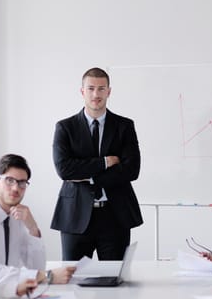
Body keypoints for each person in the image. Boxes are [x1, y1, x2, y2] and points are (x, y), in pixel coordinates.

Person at [51, 67, 143, 260]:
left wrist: (87, 175)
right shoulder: (65, 127)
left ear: (109, 91)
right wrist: (104, 162)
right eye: (91, 88)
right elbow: (65, 170)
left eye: (101, 89)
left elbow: (132, 170)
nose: (96, 94)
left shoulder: (124, 126)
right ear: (82, 91)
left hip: (115, 215)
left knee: (113, 280)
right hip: (75, 215)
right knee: (73, 279)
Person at [0, 154, 75, 286]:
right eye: (10, 180)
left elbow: (35, 267)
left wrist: (33, 229)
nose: (16, 188)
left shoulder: (16, 215)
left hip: (6, 294)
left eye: (22, 183)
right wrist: (47, 276)